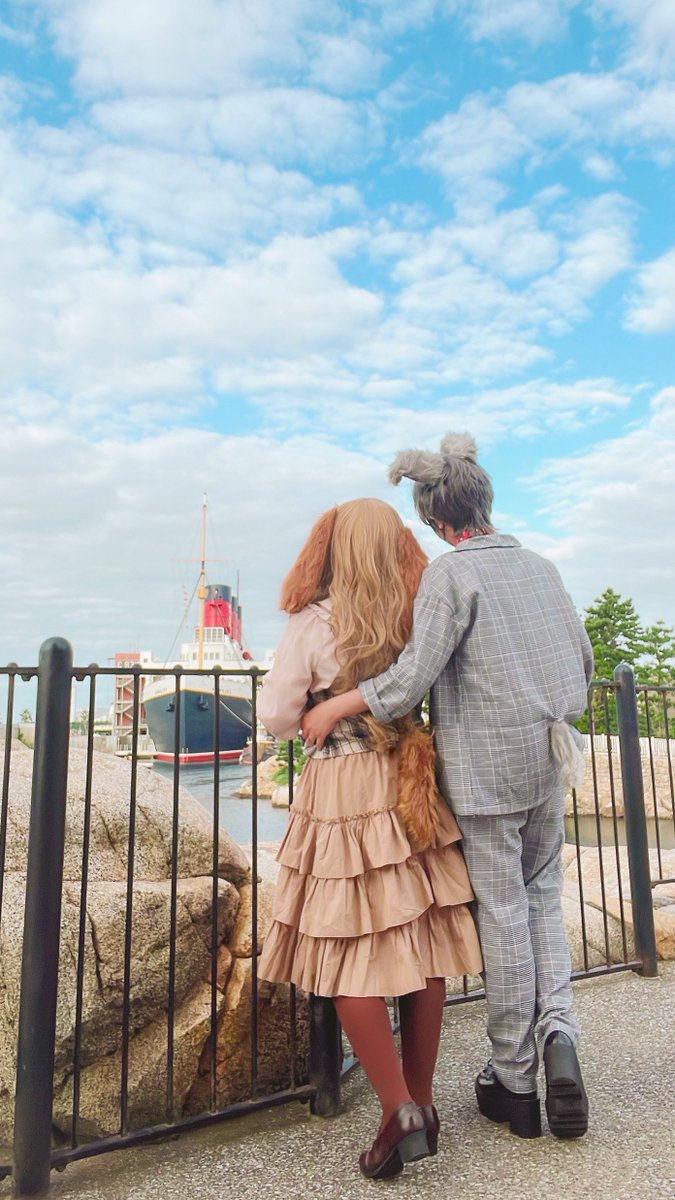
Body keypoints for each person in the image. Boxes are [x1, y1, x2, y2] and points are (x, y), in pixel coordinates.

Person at [302, 433, 593, 1143]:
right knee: (543, 901)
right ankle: (559, 1030)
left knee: (502, 911)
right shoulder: (542, 566)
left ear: (435, 517)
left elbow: (409, 680)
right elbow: (583, 664)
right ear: (485, 498)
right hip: (548, 759)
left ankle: (515, 1080)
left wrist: (337, 706)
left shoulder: (450, 575)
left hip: (486, 775)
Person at [256, 498, 483, 1180]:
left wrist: (315, 708)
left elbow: (276, 716)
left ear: (331, 547)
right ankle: (422, 1101)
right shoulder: (416, 613)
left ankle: (396, 1109)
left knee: (349, 948)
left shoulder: (314, 621)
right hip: (410, 779)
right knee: (422, 941)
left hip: (344, 789)